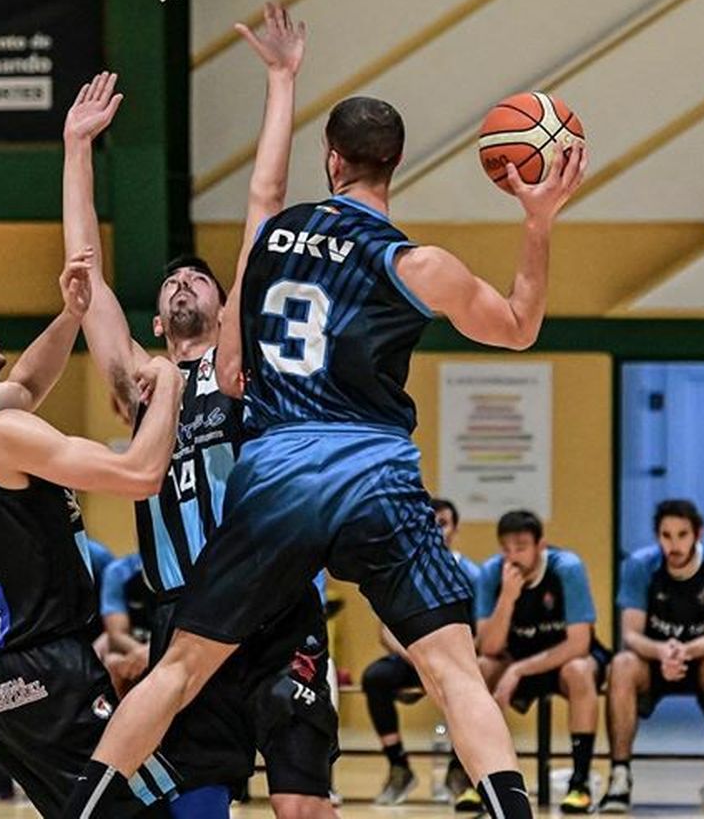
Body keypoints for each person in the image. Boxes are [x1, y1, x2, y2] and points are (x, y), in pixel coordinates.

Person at [59, 66, 588, 819]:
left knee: (176, 670)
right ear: (393, 163)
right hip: (375, 468)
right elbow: (520, 326)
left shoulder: (274, 238)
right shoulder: (417, 263)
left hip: (277, 475)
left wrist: (278, 83)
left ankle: (82, 808)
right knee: (451, 667)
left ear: (333, 160)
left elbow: (236, 366)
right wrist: (538, 221)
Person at [64, 11, 340, 819]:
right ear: (157, 321)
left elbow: (266, 202)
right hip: (182, 613)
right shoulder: (143, 388)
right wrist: (79, 148)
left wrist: (282, 83)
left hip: (273, 602)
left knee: (299, 803)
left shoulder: (243, 369)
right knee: (193, 802)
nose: (182, 283)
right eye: (169, 285)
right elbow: (87, 281)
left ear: (227, 307)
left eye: (198, 279)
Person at [0, 248, 186, 817]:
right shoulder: (0, 436)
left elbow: (23, 386)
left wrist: (71, 315)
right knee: (146, 808)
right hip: (48, 672)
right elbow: (140, 475)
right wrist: (169, 381)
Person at [603, 499, 704, 815]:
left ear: (698, 534)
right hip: (652, 658)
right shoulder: (640, 565)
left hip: (702, 657)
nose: (674, 544)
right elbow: (630, 633)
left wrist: (685, 650)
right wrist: (661, 651)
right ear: (657, 537)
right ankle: (619, 776)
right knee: (621, 664)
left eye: (682, 535)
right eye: (666, 536)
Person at [477, 511, 611, 814]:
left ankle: (579, 784)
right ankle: (473, 776)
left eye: (521, 547)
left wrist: (519, 669)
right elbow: (489, 646)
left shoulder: (567, 569)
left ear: (541, 546)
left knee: (578, 671)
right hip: (518, 655)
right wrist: (507, 599)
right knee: (482, 668)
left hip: (564, 657)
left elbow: (579, 643)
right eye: (506, 549)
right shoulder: (492, 573)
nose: (513, 557)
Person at [363, 498, 483, 807]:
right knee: (375, 677)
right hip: (411, 656)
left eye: (443, 523)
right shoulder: (403, 569)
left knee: (470, 688)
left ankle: (460, 770)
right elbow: (386, 631)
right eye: (431, 523)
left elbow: (479, 631)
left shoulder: (471, 573)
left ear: (455, 529)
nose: (438, 530)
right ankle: (399, 766)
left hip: (455, 659)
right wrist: (417, 655)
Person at [99, 553, 155, 695]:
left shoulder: (184, 569)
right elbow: (116, 634)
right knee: (111, 660)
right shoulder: (118, 571)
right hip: (136, 646)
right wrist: (142, 653)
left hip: (170, 646)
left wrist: (153, 653)